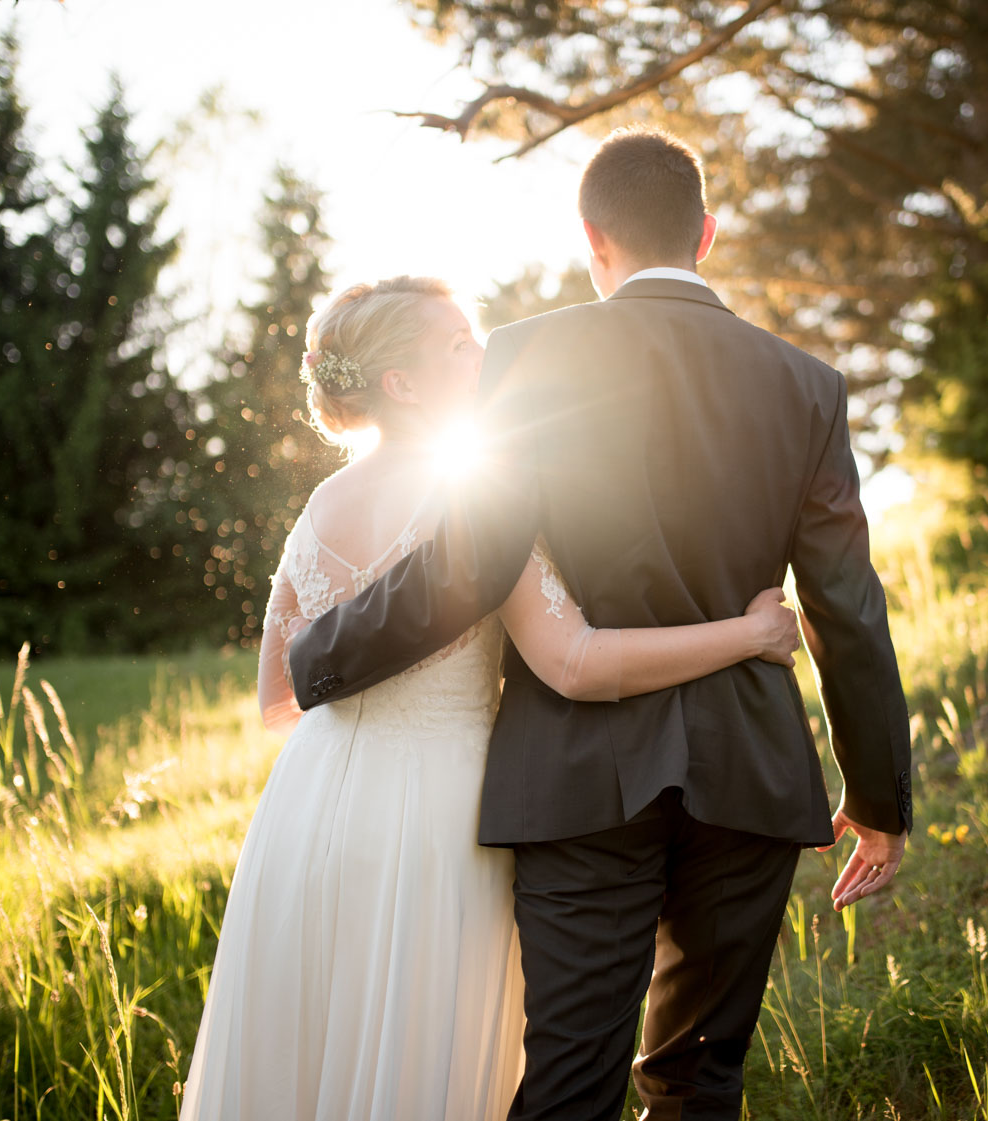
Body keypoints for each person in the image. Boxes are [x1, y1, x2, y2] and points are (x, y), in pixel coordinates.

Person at [287, 128, 913, 1119]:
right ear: (706, 234)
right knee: (699, 1081)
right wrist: (878, 793)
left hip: (578, 778)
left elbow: (471, 562)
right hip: (748, 771)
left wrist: (320, 653)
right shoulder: (807, 385)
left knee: (570, 1083)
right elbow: (845, 599)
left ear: (593, 240)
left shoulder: (527, 354)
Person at [177, 276, 803, 1121]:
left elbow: (278, 697)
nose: (486, 352)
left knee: (317, 1048)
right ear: (401, 383)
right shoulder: (482, 501)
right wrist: (749, 633)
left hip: (307, 810)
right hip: (438, 814)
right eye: (460, 344)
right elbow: (574, 661)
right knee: (423, 1050)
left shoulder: (318, 508)